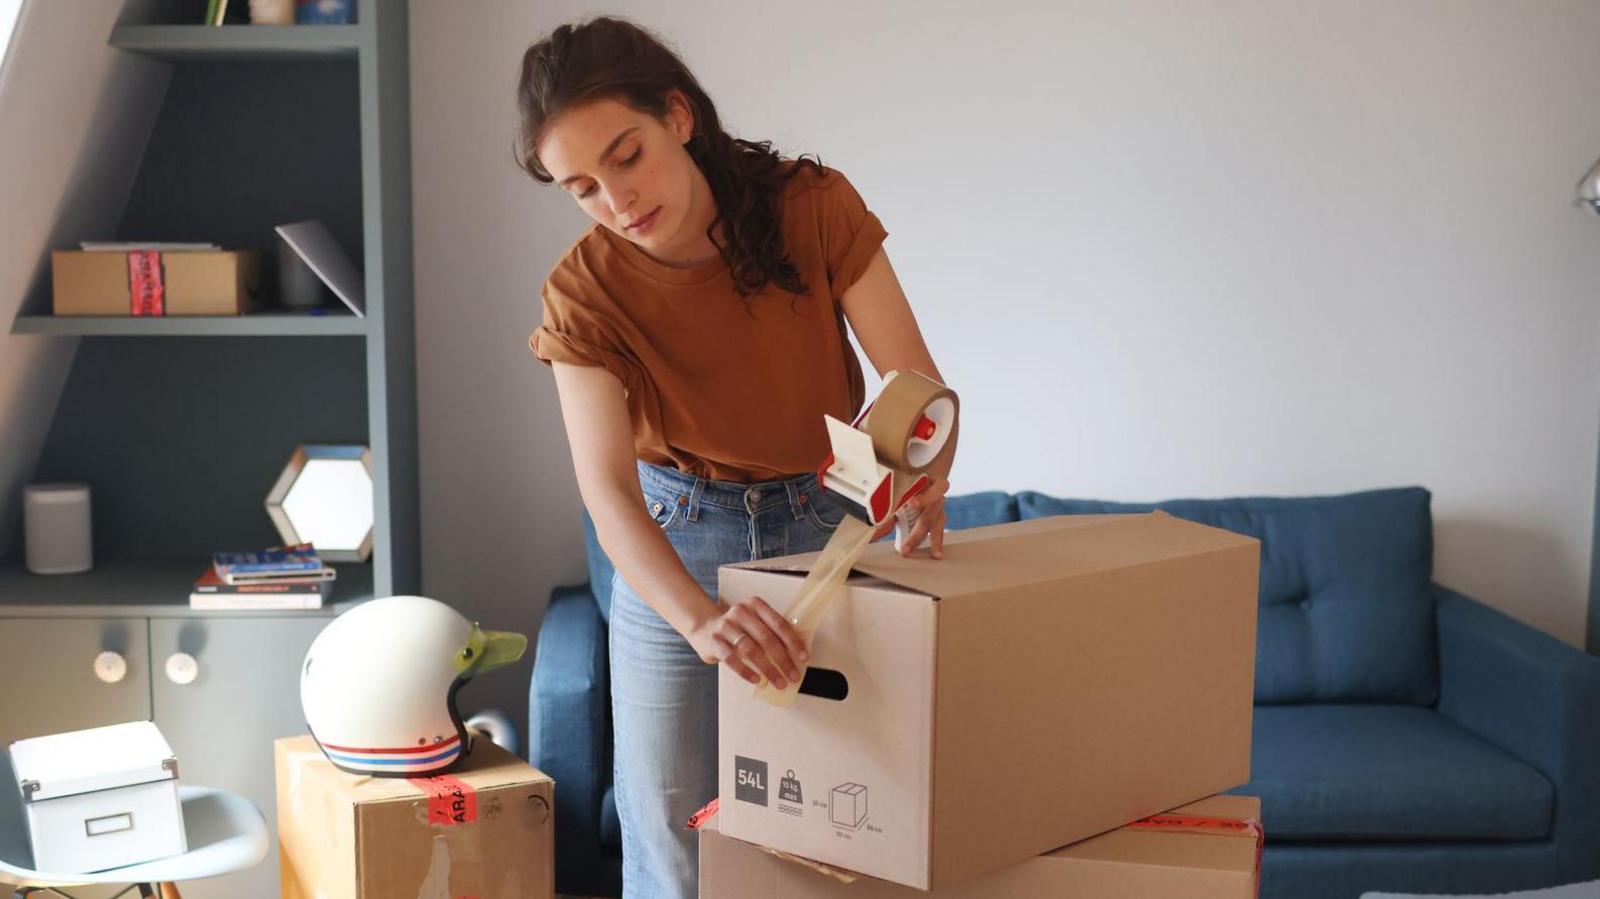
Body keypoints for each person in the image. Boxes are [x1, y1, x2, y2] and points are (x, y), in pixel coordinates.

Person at [516, 16, 955, 899]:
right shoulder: (581, 293)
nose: (617, 200)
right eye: (583, 187)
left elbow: (910, 381)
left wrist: (918, 469)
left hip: (825, 521)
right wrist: (697, 620)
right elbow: (608, 495)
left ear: (678, 116)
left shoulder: (810, 204)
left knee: (848, 828)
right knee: (675, 855)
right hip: (679, 545)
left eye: (627, 155)